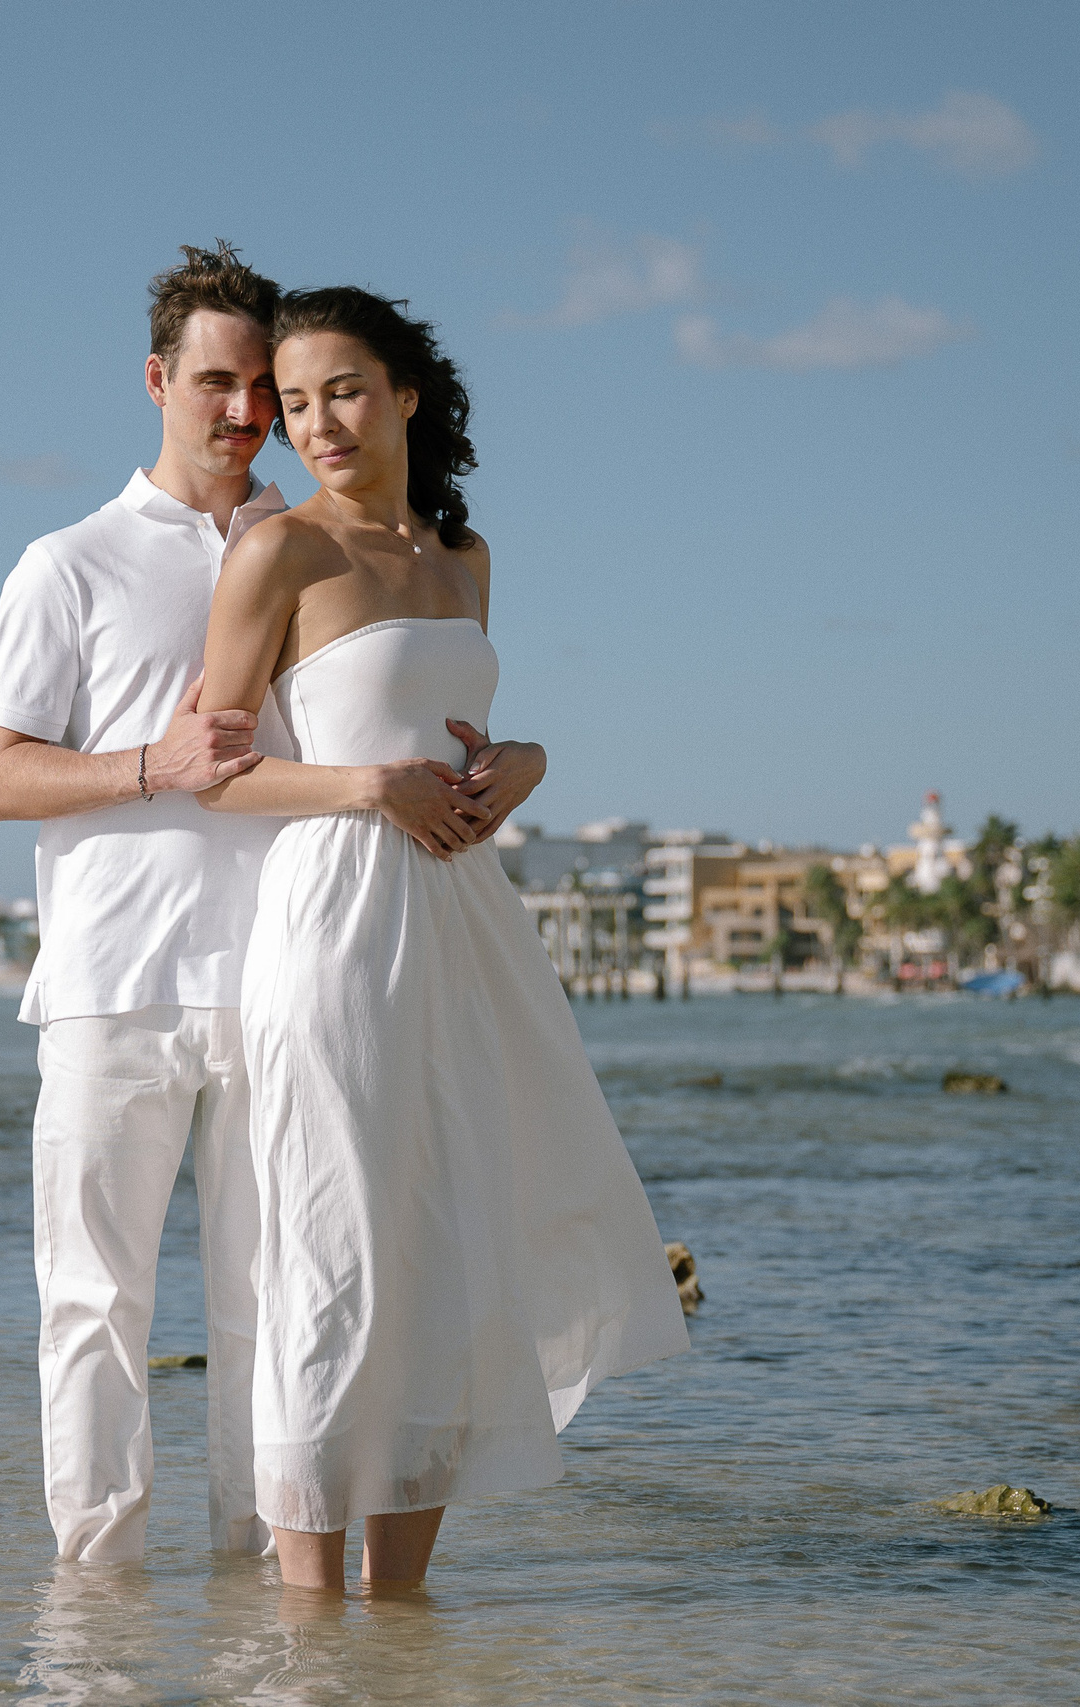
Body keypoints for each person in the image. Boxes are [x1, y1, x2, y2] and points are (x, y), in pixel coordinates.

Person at [0, 246, 487, 1563]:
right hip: (114, 980)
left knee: (283, 1299)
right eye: (217, 383)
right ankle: (97, 1614)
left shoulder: (308, 537)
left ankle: (260, 1606)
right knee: (94, 1302)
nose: (247, 413)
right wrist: (152, 765)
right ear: (157, 381)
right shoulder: (67, 562)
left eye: (268, 387)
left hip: (285, 978)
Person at [194, 285, 692, 1590]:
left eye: (343, 390)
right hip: (335, 919)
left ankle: (401, 1614)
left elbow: (461, 740)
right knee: (332, 1243)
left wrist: (525, 762)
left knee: (445, 1237)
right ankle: (309, 1625)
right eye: (293, 404)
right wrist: (365, 785)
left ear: (410, 391)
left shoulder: (464, 559)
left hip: (461, 918)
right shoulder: (279, 555)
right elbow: (214, 769)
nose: (317, 424)